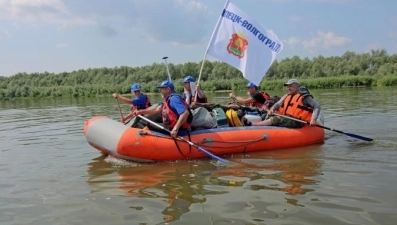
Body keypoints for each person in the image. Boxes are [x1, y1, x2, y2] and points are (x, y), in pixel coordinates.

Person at [245, 79, 321, 128]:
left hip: (298, 121)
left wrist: (313, 119)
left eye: (291, 86)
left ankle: (252, 125)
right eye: (288, 86)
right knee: (267, 115)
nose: (289, 88)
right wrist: (272, 109)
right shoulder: (286, 96)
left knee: (276, 119)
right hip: (287, 117)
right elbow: (278, 104)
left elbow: (317, 106)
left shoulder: (305, 97)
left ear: (297, 86)